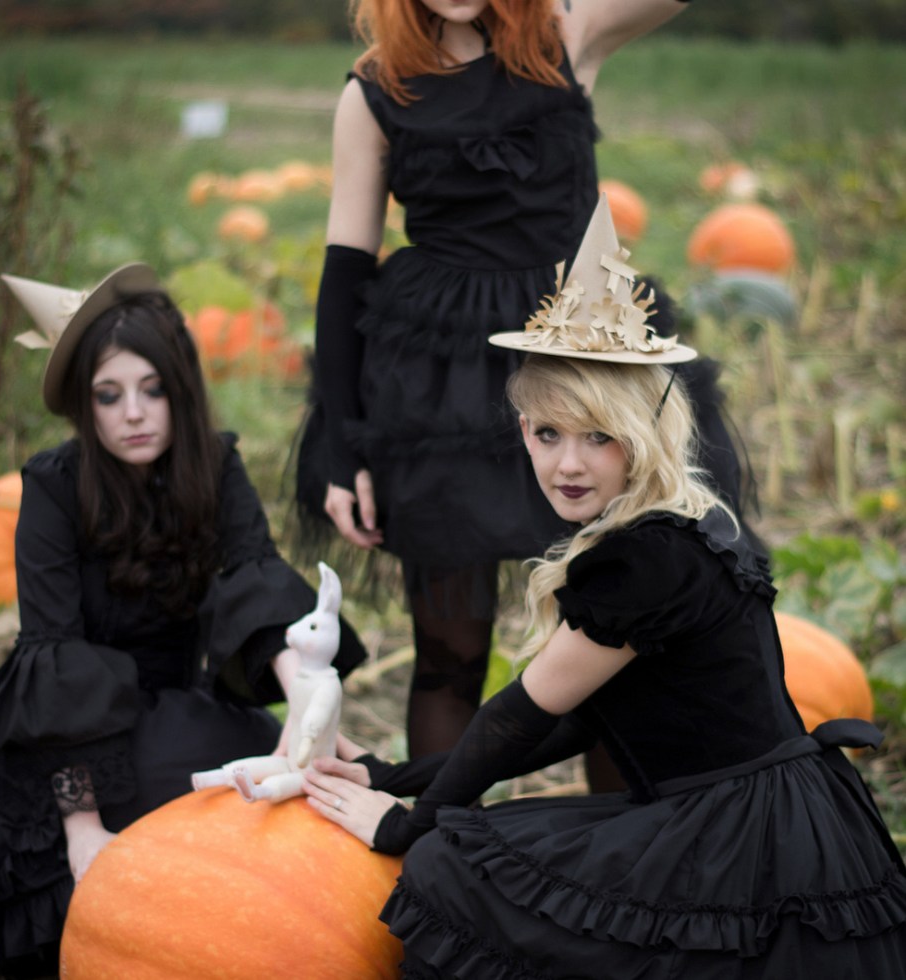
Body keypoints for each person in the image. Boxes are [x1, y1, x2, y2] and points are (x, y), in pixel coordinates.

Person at [302, 201, 906, 977]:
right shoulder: (679, 523)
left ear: (645, 433)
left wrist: (408, 823)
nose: (569, 465)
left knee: (448, 869)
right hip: (771, 814)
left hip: (741, 836)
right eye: (548, 435)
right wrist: (395, 775)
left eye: (600, 437)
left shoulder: (642, 562)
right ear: (520, 431)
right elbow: (570, 725)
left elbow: (521, 715)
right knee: (486, 851)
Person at [294, 0, 754, 760]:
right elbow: (344, 270)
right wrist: (344, 448)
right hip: (438, 382)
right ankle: (433, 853)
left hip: (579, 358)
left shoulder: (564, 36)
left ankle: (618, 864)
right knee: (448, 655)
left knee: (615, 644)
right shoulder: (377, 87)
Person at [0, 263, 367, 977]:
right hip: (57, 736)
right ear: (86, 405)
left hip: (171, 711)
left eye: (152, 390)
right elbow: (54, 659)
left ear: (180, 392)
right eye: (110, 395)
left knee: (275, 793)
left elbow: (253, 580)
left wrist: (307, 692)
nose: (134, 412)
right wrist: (81, 827)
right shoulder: (53, 487)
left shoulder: (215, 467)